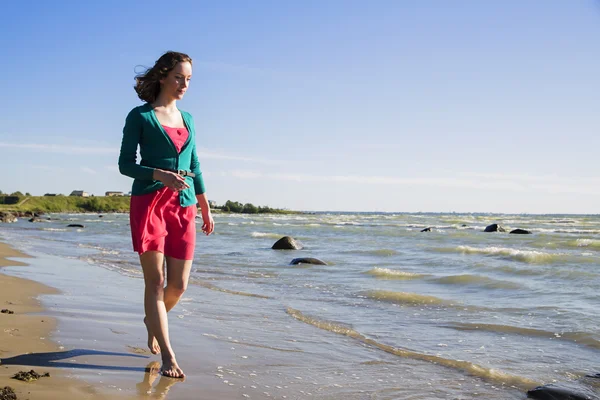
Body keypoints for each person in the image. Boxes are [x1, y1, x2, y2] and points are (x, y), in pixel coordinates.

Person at [118, 51, 214, 378]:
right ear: (162, 76)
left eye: (188, 79)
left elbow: (196, 164)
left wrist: (204, 205)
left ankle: (152, 320)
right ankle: (169, 357)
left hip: (183, 205)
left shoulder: (188, 119)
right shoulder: (140, 117)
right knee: (156, 283)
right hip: (149, 204)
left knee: (179, 285)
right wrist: (159, 174)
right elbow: (125, 164)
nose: (184, 84)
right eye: (178, 77)